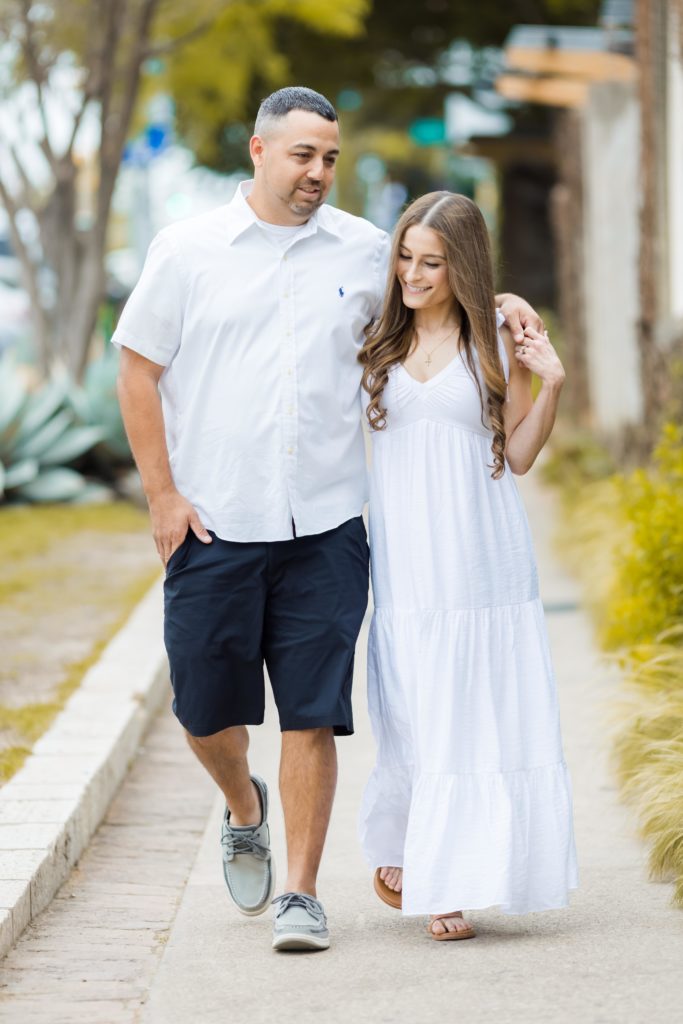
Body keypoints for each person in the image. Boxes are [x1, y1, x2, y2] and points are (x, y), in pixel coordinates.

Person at [114, 86, 544, 953]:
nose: (318, 172)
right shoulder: (185, 251)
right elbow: (137, 372)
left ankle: (301, 895)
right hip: (213, 526)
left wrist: (506, 306)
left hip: (325, 530)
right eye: (302, 154)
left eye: (330, 157)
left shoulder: (362, 250)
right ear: (258, 151)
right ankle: (243, 805)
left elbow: (436, 292)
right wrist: (163, 496)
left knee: (313, 713)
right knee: (203, 711)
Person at [358, 191, 578, 941]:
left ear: (464, 267)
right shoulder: (374, 338)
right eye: (405, 258)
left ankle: (446, 880)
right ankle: (411, 846)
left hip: (480, 556)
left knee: (466, 713)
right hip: (405, 561)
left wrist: (549, 383)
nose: (412, 276)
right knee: (416, 708)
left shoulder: (492, 338)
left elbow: (516, 454)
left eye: (432, 263)